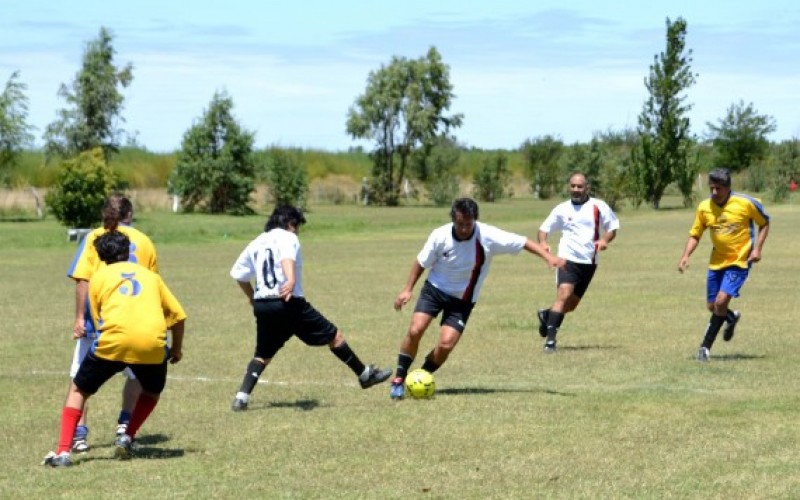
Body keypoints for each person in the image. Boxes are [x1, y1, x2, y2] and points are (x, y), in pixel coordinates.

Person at [389, 197, 564, 399]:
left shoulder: (488, 235)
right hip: (434, 290)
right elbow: (421, 263)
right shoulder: (440, 235)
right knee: (415, 330)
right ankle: (399, 379)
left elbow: (523, 242)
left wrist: (548, 257)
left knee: (446, 345)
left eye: (468, 224)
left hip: (462, 300)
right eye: (460, 224)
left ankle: (421, 378)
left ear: (475, 220)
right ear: (453, 220)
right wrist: (407, 289)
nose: (464, 229)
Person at [43, 231, 186, 467]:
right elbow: (178, 318)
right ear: (128, 250)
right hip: (150, 346)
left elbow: (99, 319)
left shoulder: (98, 277)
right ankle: (128, 436)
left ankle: (63, 452)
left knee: (79, 390)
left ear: (100, 255)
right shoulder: (151, 277)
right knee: (151, 391)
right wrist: (177, 350)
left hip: (113, 342)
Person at [229, 205, 392, 411]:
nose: (297, 231)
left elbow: (238, 273)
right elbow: (286, 257)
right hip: (287, 302)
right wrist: (290, 279)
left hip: (264, 305)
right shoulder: (288, 237)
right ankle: (365, 375)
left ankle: (241, 398)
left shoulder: (256, 242)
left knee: (263, 354)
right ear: (290, 223)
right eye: (297, 227)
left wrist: (252, 297)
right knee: (335, 336)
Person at [64, 194, 158, 452]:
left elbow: (83, 279)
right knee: (137, 374)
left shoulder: (95, 237)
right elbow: (151, 283)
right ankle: (125, 425)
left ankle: (79, 435)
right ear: (129, 214)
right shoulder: (145, 241)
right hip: (137, 320)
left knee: (79, 379)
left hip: (101, 320)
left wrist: (80, 318)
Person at [678, 168, 770, 362]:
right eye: (711, 188)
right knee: (712, 306)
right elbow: (696, 233)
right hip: (716, 262)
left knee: (721, 302)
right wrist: (686, 255)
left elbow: (764, 223)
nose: (713, 192)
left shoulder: (746, 203)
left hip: (739, 261)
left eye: (717, 188)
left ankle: (704, 348)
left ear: (728, 188)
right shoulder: (704, 208)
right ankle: (730, 317)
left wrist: (757, 250)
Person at [535, 172, 620, 353]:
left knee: (571, 305)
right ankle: (550, 342)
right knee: (564, 295)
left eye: (580, 186)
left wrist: (604, 240)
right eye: (573, 186)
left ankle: (546, 315)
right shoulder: (561, 209)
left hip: (589, 262)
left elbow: (612, 228)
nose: (576, 190)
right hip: (567, 259)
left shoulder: (598, 206)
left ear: (586, 188)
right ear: (569, 187)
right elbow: (543, 229)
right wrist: (543, 242)